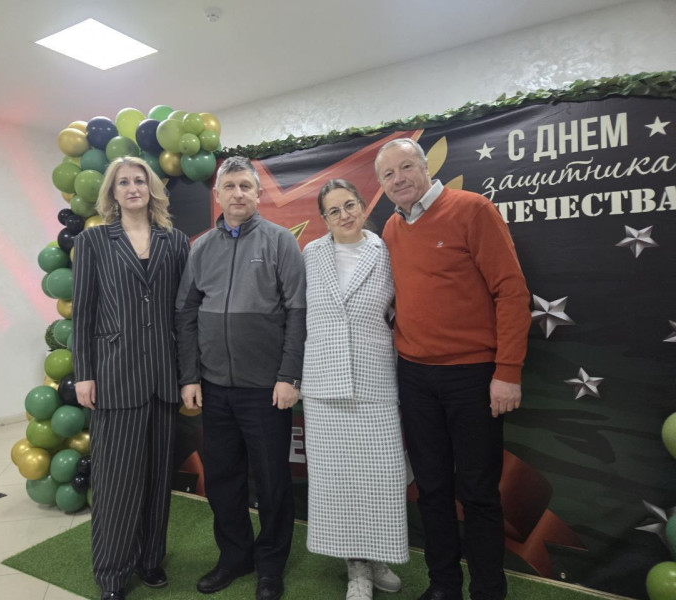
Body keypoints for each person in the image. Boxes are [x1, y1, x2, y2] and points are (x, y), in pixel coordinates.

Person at [375, 138, 531, 600]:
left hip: (473, 376)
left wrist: (508, 371)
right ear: (381, 185)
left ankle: (488, 590)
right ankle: (443, 585)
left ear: (426, 167)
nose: (399, 179)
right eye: (388, 174)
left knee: (479, 493)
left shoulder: (473, 209)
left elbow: (512, 292)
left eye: (406, 167)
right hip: (414, 378)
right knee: (432, 488)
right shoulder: (391, 229)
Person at [175, 156, 306, 600]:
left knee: (272, 483)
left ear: (257, 193)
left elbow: (297, 311)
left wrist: (289, 375)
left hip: (266, 390)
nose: (237, 194)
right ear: (217, 194)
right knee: (223, 481)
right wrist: (190, 376)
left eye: (245, 186)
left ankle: (270, 566)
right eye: (229, 186)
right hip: (214, 389)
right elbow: (186, 312)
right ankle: (234, 558)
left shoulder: (280, 241)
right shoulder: (200, 248)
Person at [72, 156, 190, 600]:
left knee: (158, 481)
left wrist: (187, 374)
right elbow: (82, 314)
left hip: (162, 377)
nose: (133, 187)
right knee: (116, 484)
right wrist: (84, 373)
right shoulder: (93, 241)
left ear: (151, 188)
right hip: (114, 378)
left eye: (140, 180)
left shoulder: (175, 241)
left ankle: (150, 559)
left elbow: (184, 312)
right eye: (123, 182)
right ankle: (112, 573)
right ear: (112, 192)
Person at [301, 180, 408, 600]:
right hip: (324, 385)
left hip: (374, 380)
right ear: (324, 219)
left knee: (382, 479)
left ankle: (378, 556)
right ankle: (357, 569)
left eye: (349, 205)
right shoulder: (310, 255)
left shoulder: (387, 251)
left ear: (363, 206)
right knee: (339, 484)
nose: (344, 215)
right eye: (334, 211)